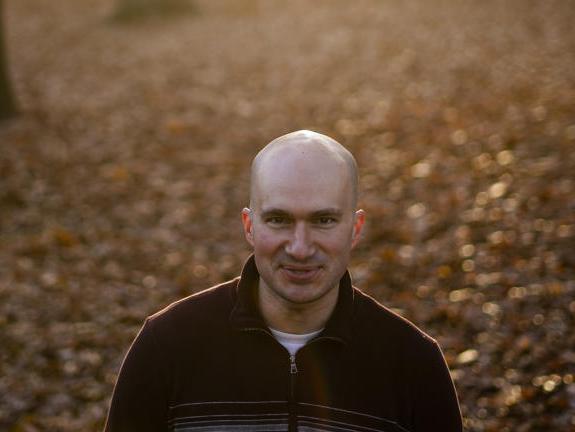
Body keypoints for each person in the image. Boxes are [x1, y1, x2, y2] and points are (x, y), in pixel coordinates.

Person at [104, 130, 463, 431]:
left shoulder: (413, 364)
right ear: (250, 226)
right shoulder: (167, 347)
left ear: (355, 229)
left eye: (323, 221)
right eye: (279, 220)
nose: (300, 248)